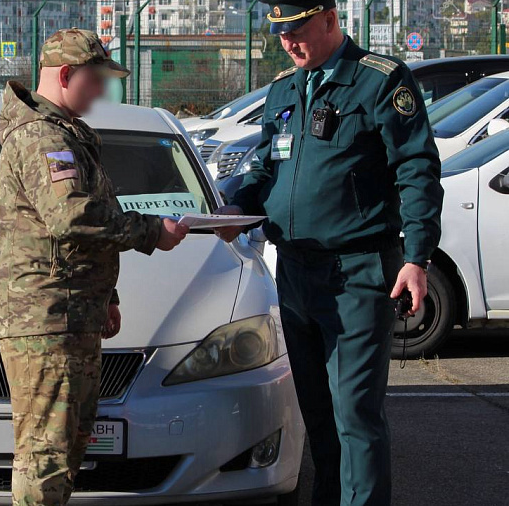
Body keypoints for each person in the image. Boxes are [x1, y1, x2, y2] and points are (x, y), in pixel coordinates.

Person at [214, 1, 443, 505]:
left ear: (331, 19)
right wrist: (237, 206)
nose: (289, 43)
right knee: (316, 413)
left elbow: (418, 171)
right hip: (295, 271)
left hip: (357, 273)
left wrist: (417, 257)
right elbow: (265, 171)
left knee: (355, 414)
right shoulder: (284, 89)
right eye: (280, 34)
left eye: (297, 31)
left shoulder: (380, 81)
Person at [0, 28, 189, 506]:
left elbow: (77, 226)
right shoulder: (42, 137)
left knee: (68, 445)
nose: (102, 91)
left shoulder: (63, 133)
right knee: (46, 453)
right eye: (95, 80)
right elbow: (72, 217)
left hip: (71, 311)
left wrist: (107, 296)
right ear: (65, 75)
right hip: (47, 319)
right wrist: (150, 233)